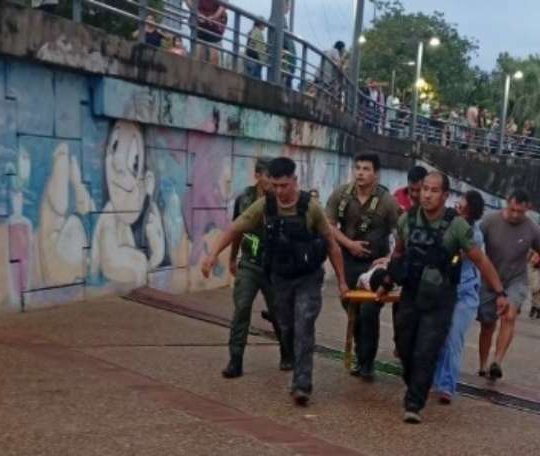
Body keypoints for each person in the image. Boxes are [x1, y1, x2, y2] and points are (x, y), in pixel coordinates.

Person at [201, 157, 348, 406]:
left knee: (304, 324)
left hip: (308, 277)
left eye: (284, 185)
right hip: (280, 277)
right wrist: (213, 255)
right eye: (275, 185)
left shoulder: (310, 207)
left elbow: (332, 245)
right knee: (286, 326)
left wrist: (342, 282)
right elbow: (235, 229)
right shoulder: (264, 205)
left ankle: (302, 384)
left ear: (295, 181)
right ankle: (287, 355)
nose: (279, 191)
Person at [378, 172, 510, 423]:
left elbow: (481, 260)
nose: (427, 195)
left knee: (426, 349)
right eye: (424, 189)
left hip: (440, 298)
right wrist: (386, 282)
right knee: (404, 345)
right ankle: (416, 383)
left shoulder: (457, 226)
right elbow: (398, 254)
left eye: (434, 190)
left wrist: (500, 292)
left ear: (445, 195)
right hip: (411, 292)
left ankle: (414, 404)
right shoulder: (407, 220)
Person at [325, 154, 399, 380]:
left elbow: (401, 235)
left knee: (369, 312)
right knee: (352, 309)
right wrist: (349, 244)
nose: (360, 173)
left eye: (366, 169)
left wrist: (388, 259)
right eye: (357, 168)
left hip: (374, 266)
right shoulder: (341, 195)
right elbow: (328, 226)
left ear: (376, 174)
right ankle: (361, 354)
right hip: (347, 261)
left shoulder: (387, 202)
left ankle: (367, 363)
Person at [219, 158, 292, 379]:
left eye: (275, 177)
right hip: (249, 263)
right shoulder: (244, 198)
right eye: (268, 176)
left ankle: (286, 352)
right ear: (258, 175)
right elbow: (236, 230)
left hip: (274, 267)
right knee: (241, 308)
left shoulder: (282, 200)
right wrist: (233, 258)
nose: (272, 181)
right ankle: (235, 360)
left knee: (279, 312)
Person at [477, 190, 540, 381]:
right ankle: (483, 364)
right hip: (489, 280)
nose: (515, 215)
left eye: (520, 212)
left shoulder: (532, 229)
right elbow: (472, 244)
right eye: (512, 210)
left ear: (528, 209)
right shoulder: (489, 221)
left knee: (509, 316)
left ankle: (497, 362)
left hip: (516, 280)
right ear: (507, 203)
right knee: (487, 325)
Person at [432, 190, 486, 405]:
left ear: (469, 209)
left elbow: (455, 256)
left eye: (461, 203)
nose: (457, 205)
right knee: (438, 336)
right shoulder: (447, 224)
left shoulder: (474, 235)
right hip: (444, 289)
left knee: (454, 338)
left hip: (465, 293)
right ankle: (434, 380)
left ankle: (447, 386)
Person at [186, 0, 226, 66]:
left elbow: (224, 3)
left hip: (215, 27)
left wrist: (215, 16)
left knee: (214, 56)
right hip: (199, 24)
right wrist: (198, 13)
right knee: (199, 53)